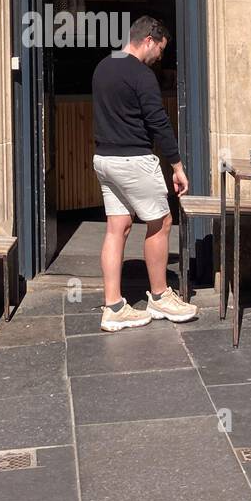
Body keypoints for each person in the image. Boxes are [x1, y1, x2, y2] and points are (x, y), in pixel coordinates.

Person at [91, 16, 197, 331]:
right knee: (161, 222)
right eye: (160, 50)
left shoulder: (103, 67)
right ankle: (161, 296)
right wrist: (177, 165)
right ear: (149, 39)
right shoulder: (141, 74)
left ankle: (113, 306)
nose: (159, 58)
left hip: (104, 159)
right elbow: (158, 122)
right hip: (134, 158)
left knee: (117, 227)